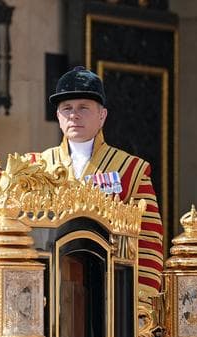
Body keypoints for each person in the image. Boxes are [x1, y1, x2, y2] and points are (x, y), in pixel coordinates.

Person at [39, 66, 165, 305]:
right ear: (58, 116)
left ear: (102, 115)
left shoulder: (131, 169)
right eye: (67, 108)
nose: (74, 115)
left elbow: (149, 241)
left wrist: (141, 302)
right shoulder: (37, 166)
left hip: (109, 291)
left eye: (83, 107)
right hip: (49, 287)